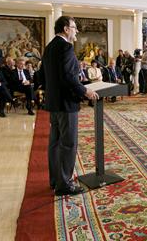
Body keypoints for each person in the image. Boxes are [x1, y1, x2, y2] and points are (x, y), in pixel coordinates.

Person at [41, 16, 98, 196]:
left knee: (55, 143)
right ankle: (64, 184)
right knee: (68, 144)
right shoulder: (65, 47)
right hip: (66, 104)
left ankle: (55, 180)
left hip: (54, 102)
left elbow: (43, 75)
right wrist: (85, 91)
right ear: (66, 29)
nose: (77, 31)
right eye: (74, 27)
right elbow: (68, 77)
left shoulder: (49, 47)